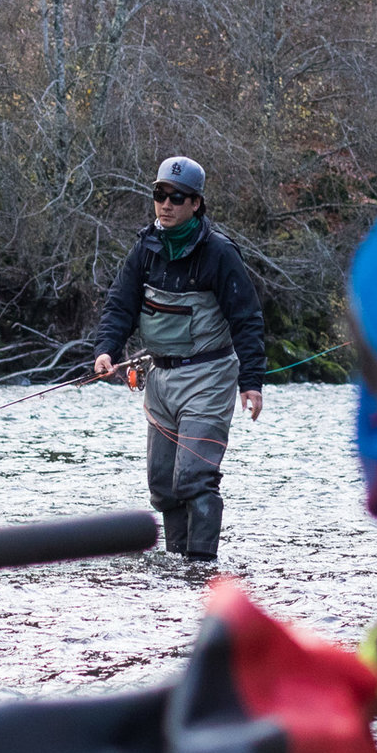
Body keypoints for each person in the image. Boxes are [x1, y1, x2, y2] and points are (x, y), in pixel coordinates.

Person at [92, 156, 266, 561]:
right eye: (159, 195)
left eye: (177, 197)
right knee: (163, 485)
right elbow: (120, 305)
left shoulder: (219, 254)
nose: (166, 204)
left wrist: (252, 383)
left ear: (196, 204)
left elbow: (247, 319)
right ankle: (177, 568)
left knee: (195, 478)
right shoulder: (145, 248)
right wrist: (106, 350)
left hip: (209, 377)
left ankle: (201, 568)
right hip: (160, 378)